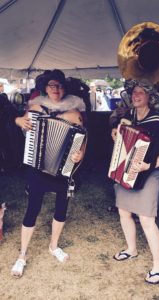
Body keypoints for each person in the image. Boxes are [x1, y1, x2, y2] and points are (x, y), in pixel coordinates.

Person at [11, 69, 86, 278]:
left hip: (62, 168)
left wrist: (79, 154)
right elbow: (20, 121)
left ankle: (54, 246)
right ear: (45, 87)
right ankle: (22, 254)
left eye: (60, 85)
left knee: (61, 208)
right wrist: (19, 121)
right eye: (52, 85)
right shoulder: (36, 107)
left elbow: (83, 138)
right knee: (32, 208)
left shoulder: (74, 111)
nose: (56, 89)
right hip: (37, 166)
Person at [111, 79, 159, 284]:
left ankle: (158, 267)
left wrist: (148, 166)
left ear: (149, 97)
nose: (135, 95)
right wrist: (115, 135)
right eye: (133, 92)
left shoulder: (157, 122)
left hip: (149, 173)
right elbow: (122, 141)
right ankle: (132, 249)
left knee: (146, 219)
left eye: (140, 93)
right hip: (126, 172)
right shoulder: (128, 117)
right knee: (124, 212)